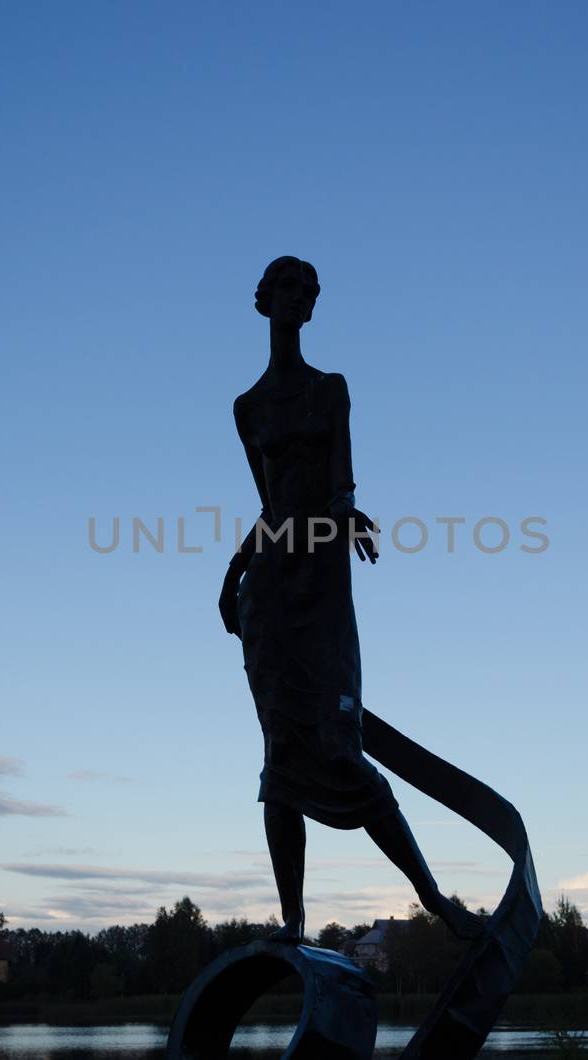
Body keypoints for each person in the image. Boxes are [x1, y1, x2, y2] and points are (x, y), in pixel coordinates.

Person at [219, 255, 482, 944]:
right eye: (289, 289)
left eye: (310, 294)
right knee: (281, 758)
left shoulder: (331, 389)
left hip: (324, 582)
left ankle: (436, 900)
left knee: (339, 745)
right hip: (270, 593)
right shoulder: (247, 409)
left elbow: (339, 485)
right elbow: (269, 507)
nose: (300, 301)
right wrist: (231, 573)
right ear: (266, 300)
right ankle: (294, 922)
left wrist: (349, 512)